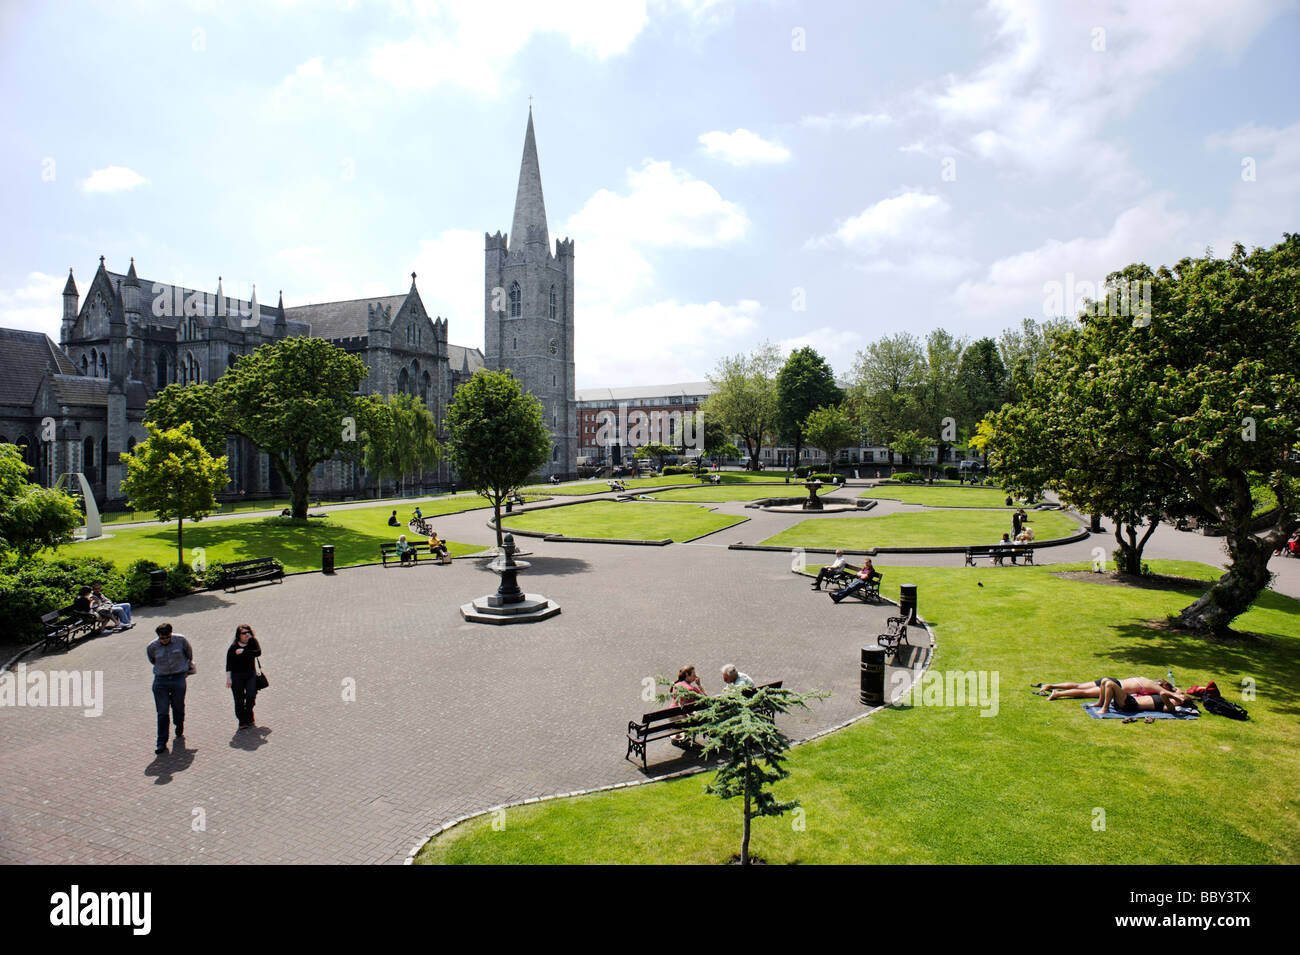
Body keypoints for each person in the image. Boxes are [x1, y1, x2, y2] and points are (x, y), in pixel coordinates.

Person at [146, 623, 193, 755]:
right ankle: (161, 742)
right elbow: (152, 660)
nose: (164, 640)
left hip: (178, 677)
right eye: (162, 638)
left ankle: (179, 724)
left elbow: (189, 654)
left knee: (178, 706)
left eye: (167, 637)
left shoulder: (181, 640)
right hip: (161, 679)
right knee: (162, 712)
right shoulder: (152, 646)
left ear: (171, 634)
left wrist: (184, 669)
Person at [225, 624, 262, 729]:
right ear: (239, 635)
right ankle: (242, 720)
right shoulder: (233, 647)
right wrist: (228, 679)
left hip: (250, 674)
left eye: (248, 632)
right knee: (239, 699)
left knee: (251, 695)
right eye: (244, 633)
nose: (247, 635)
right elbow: (229, 664)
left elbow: (258, 652)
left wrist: (244, 651)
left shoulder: (253, 642)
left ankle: (249, 713)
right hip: (237, 676)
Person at [1037, 676, 1173, 701]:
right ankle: (1057, 693)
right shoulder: (1151, 686)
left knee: (1080, 685)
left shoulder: (1144, 680)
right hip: (1113, 686)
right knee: (1085, 693)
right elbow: (1165, 693)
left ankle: (1051, 685)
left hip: (1112, 680)